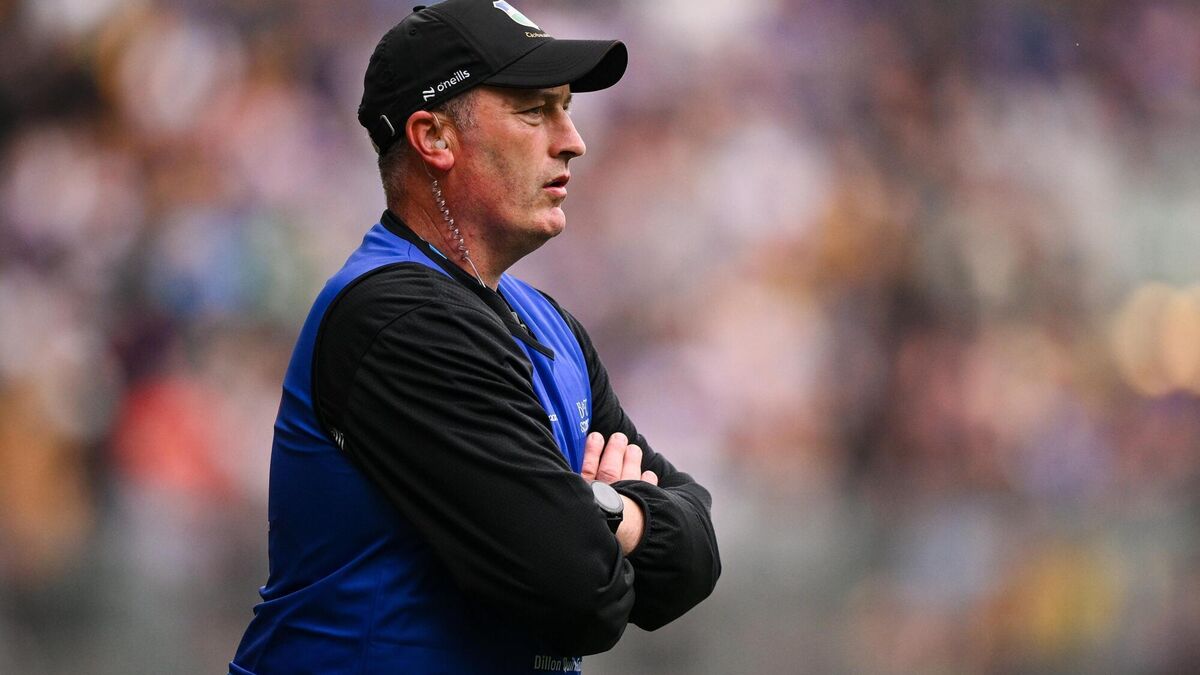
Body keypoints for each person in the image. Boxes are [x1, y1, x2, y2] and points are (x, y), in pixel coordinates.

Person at [229, 2, 720, 673]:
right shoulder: (399, 319)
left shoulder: (548, 322)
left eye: (567, 108)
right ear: (434, 137)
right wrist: (615, 517)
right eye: (535, 111)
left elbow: (696, 557)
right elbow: (578, 594)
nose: (573, 140)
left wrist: (601, 508)